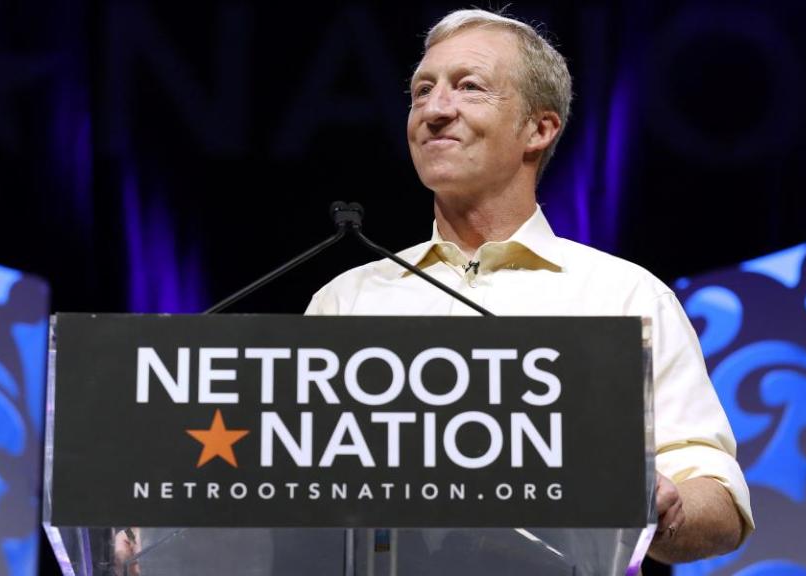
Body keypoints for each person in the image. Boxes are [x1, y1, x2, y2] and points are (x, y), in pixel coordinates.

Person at [306, 8, 754, 564]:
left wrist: (667, 505)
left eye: (468, 87)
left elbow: (721, 502)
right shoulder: (348, 299)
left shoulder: (623, 297)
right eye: (423, 91)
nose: (435, 110)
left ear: (539, 129)